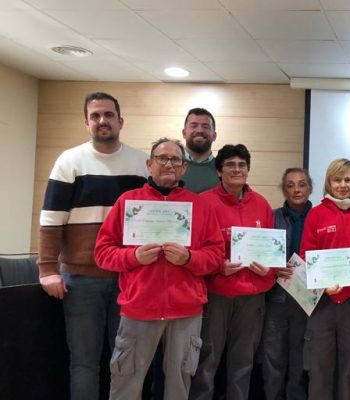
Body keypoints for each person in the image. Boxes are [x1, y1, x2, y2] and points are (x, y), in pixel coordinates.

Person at [94, 138, 225, 399]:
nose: (169, 164)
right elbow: (102, 253)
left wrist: (189, 258)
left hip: (186, 310)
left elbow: (215, 256)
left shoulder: (200, 207)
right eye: (162, 158)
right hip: (139, 308)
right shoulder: (128, 202)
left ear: (184, 168)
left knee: (179, 386)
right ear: (149, 164)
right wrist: (133, 257)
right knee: (125, 382)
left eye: (176, 160)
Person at [37, 92, 148, 400]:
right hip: (81, 279)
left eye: (108, 115)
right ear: (86, 122)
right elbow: (50, 220)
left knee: (124, 361)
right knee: (84, 362)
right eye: (95, 116)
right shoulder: (69, 161)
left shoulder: (142, 164)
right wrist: (47, 269)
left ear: (120, 121)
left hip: (129, 278)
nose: (103, 121)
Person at [190, 144, 276, 400]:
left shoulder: (262, 204)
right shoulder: (203, 202)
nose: (237, 170)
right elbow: (193, 250)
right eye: (230, 165)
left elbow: (272, 250)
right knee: (206, 360)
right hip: (215, 294)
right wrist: (218, 267)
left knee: (243, 363)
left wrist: (268, 272)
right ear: (219, 171)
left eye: (242, 165)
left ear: (248, 170)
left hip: (252, 297)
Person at [299, 158, 350, 400]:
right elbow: (306, 256)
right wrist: (322, 286)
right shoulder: (316, 215)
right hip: (322, 303)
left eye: (348, 179)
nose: (343, 185)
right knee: (319, 368)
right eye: (337, 179)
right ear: (329, 182)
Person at [261, 167, 314, 400]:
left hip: (310, 298)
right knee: (273, 355)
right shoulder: (271, 217)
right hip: (277, 296)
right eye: (290, 185)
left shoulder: (321, 216)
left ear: (310, 188)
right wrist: (271, 270)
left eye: (301, 184)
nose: (296, 189)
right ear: (283, 189)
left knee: (300, 357)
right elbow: (260, 252)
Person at [182, 108, 219, 193]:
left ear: (214, 135)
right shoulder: (171, 167)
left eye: (205, 127)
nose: (199, 130)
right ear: (184, 133)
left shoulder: (223, 169)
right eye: (194, 126)